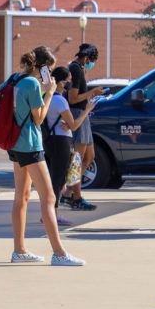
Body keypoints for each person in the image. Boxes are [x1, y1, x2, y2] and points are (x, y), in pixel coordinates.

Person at [0, 46, 85, 266]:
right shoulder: (31, 84)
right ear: (44, 68)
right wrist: (49, 92)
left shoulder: (14, 78)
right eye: (50, 69)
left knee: (22, 197)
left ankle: (19, 250)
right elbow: (39, 119)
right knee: (48, 198)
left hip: (14, 144)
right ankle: (59, 253)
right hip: (30, 145)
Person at [43, 65, 95, 227]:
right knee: (58, 180)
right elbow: (73, 125)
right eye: (67, 81)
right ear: (59, 82)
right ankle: (54, 214)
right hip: (61, 141)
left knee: (52, 179)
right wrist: (87, 110)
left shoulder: (46, 97)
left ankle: (47, 213)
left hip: (48, 141)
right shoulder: (60, 100)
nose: (69, 84)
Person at [62, 43, 105, 210]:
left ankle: (67, 194)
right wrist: (93, 92)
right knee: (77, 160)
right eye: (92, 60)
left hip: (83, 114)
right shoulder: (76, 70)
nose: (92, 64)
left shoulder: (78, 68)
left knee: (89, 156)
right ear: (87, 58)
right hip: (77, 113)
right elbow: (73, 98)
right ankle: (76, 197)